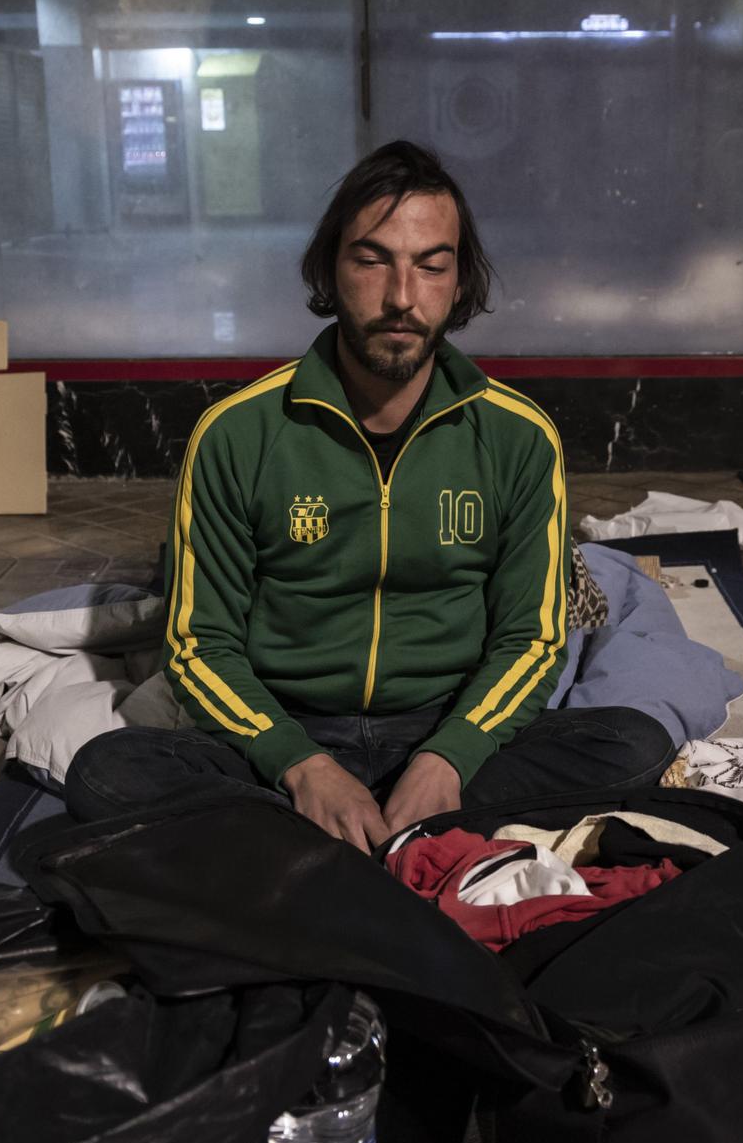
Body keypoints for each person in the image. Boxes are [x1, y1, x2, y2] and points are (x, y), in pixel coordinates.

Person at [65, 141, 674, 848]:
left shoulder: (518, 436)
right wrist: (299, 765)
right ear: (332, 267)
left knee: (635, 743)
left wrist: (451, 756)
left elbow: (531, 638)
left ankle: (321, 852)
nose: (401, 297)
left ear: (458, 280)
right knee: (106, 771)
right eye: (372, 259)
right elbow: (200, 644)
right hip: (288, 730)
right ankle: (410, 845)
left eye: (431, 265)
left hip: (445, 722)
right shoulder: (236, 434)